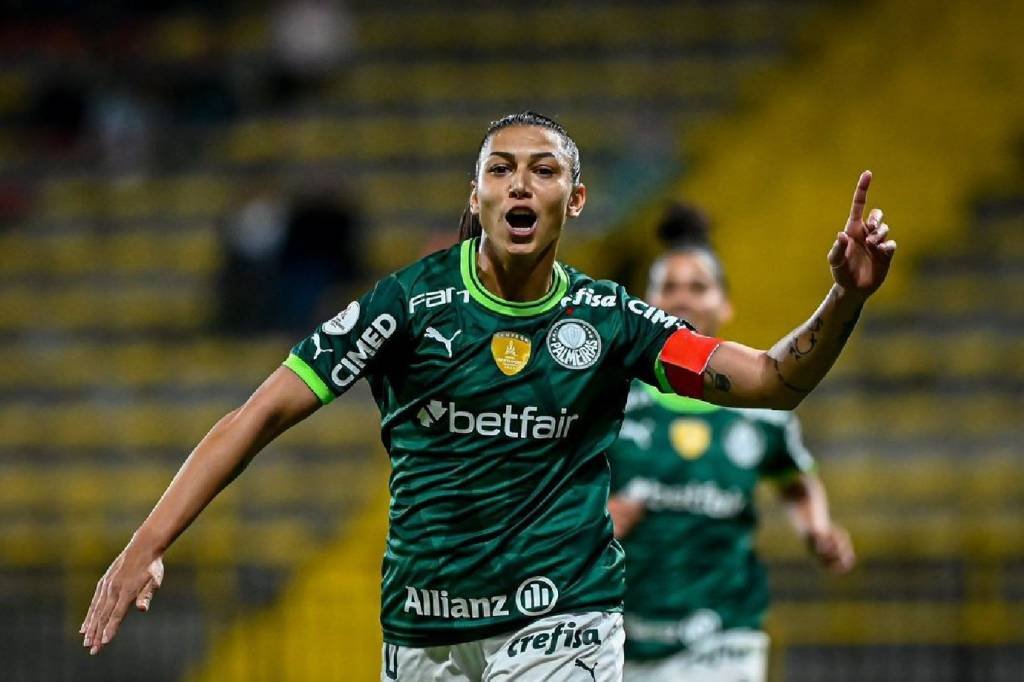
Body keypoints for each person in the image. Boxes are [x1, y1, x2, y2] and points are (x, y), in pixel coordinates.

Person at [80, 111, 895, 681]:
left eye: (543, 171)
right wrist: (148, 539)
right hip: (426, 629)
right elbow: (257, 414)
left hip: (563, 619)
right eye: (499, 169)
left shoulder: (611, 320)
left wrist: (845, 300)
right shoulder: (407, 305)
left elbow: (769, 379)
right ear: (475, 197)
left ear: (572, 201)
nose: (519, 184)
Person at [607, 204, 856, 682]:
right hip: (625, 633)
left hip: (724, 635)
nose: (682, 300)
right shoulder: (610, 400)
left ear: (725, 306)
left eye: (698, 288)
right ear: (645, 304)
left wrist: (817, 530)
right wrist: (595, 523)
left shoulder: (759, 411)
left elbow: (795, 479)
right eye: (669, 288)